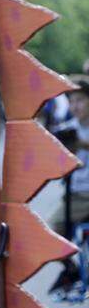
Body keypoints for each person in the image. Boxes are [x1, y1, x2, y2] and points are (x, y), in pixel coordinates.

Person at [47, 78, 89, 296]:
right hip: (74, 197)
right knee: (49, 234)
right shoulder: (67, 130)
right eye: (71, 101)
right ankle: (70, 268)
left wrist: (83, 145)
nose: (75, 106)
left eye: (80, 100)